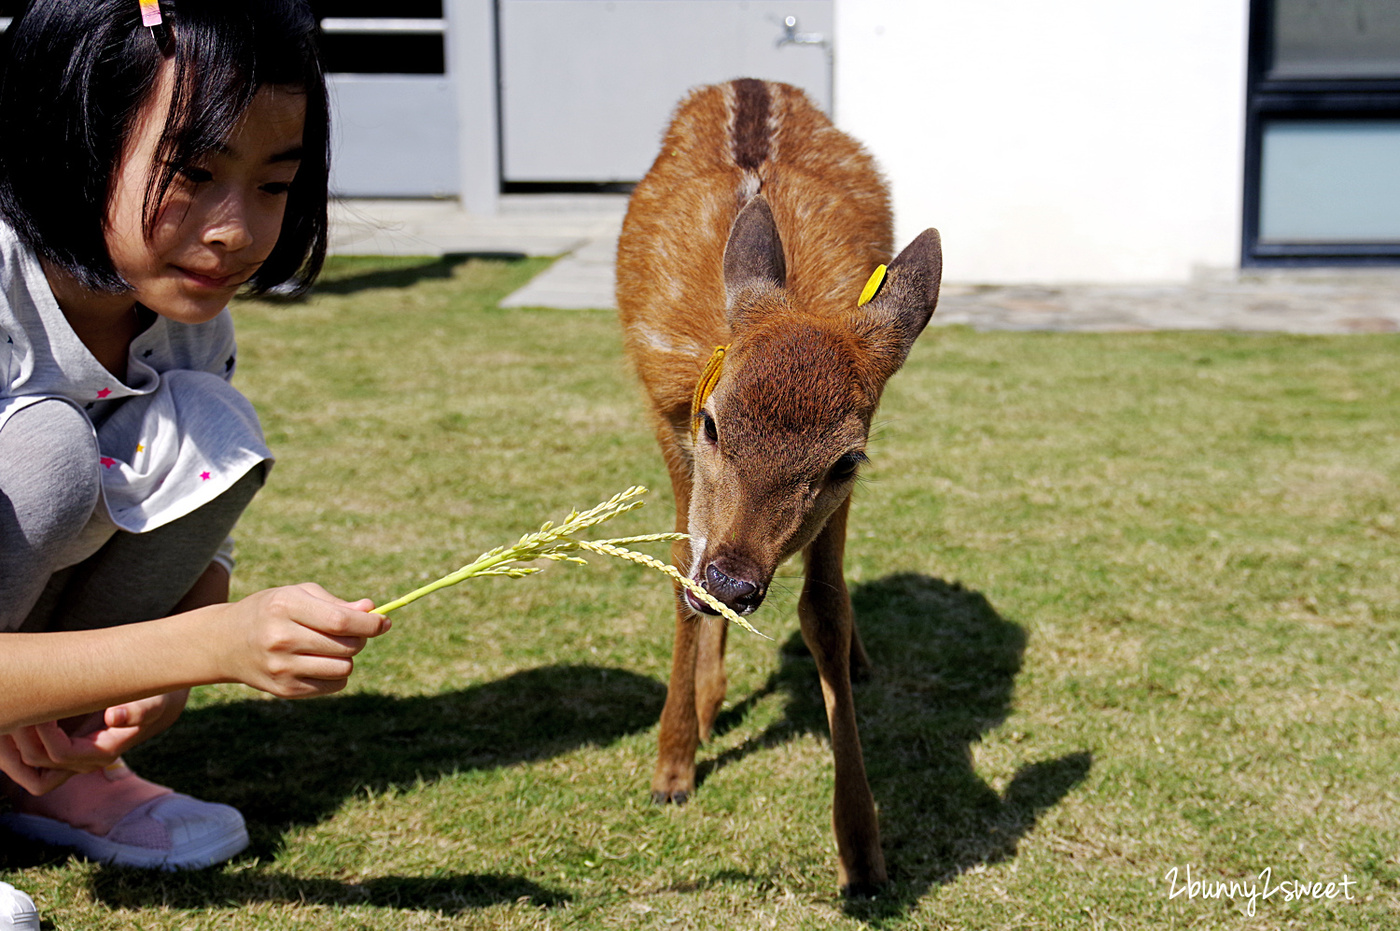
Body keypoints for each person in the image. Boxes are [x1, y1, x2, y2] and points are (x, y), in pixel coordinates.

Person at [0, 0, 388, 881]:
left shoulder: (180, 317)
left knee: (202, 426)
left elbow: (194, 520)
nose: (237, 231)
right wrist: (206, 645)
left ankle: (46, 771)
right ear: (70, 133)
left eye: (273, 184)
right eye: (194, 172)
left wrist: (167, 657)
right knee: (48, 457)